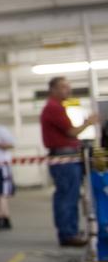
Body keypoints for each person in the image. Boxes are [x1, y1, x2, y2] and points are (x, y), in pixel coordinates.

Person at [40, 76, 92, 247]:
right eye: (63, 87)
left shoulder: (56, 107)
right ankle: (68, 234)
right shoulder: (54, 108)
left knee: (69, 195)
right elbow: (71, 132)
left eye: (68, 87)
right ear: (53, 90)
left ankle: (71, 231)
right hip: (64, 159)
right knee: (67, 196)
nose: (68, 90)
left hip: (67, 158)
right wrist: (88, 123)